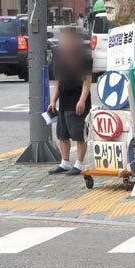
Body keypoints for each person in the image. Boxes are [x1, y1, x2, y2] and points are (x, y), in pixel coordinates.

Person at [47, 28, 93, 176]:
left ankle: (79, 164)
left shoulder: (84, 57)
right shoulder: (59, 57)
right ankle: (64, 162)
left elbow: (87, 80)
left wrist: (82, 100)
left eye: (66, 39)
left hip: (78, 101)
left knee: (79, 135)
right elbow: (58, 82)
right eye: (62, 39)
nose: (63, 42)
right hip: (63, 101)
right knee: (62, 134)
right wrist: (53, 101)